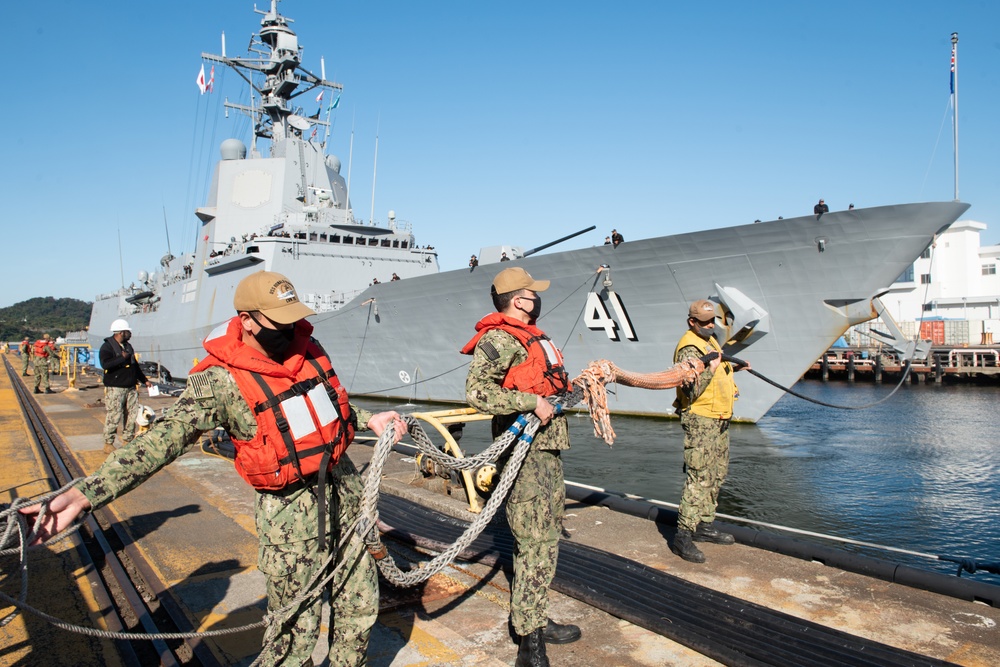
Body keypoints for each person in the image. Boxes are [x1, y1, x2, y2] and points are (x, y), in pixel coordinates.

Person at [21, 270, 408, 666]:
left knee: (359, 610)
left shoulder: (307, 347)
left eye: (294, 318)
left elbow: (324, 405)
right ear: (248, 321)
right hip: (292, 517)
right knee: (294, 635)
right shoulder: (219, 380)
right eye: (280, 322)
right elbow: (163, 440)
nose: (291, 329)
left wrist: (368, 418)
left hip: (348, 497)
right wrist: (86, 493)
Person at [462, 267, 581, 667]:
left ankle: (534, 616)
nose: (538, 299)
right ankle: (529, 640)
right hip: (524, 451)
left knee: (545, 538)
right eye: (533, 293)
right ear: (518, 300)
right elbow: (478, 391)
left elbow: (546, 383)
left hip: (546, 452)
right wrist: (531, 402)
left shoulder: (533, 337)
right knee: (535, 540)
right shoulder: (499, 338)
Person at [670, 299, 750, 564]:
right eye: (704, 322)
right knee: (699, 477)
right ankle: (683, 535)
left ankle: (704, 524)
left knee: (716, 474)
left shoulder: (710, 341)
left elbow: (716, 374)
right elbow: (689, 388)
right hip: (701, 419)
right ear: (691, 322)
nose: (710, 325)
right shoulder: (689, 348)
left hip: (719, 418)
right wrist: (711, 369)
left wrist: (734, 367)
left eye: (712, 320)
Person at [100, 319, 153, 454]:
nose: (130, 334)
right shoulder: (107, 347)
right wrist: (121, 358)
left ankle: (128, 439)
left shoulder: (128, 347)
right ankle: (108, 442)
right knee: (114, 414)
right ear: (121, 332)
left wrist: (144, 380)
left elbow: (134, 365)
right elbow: (105, 364)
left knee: (131, 413)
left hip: (130, 386)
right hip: (116, 387)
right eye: (128, 331)